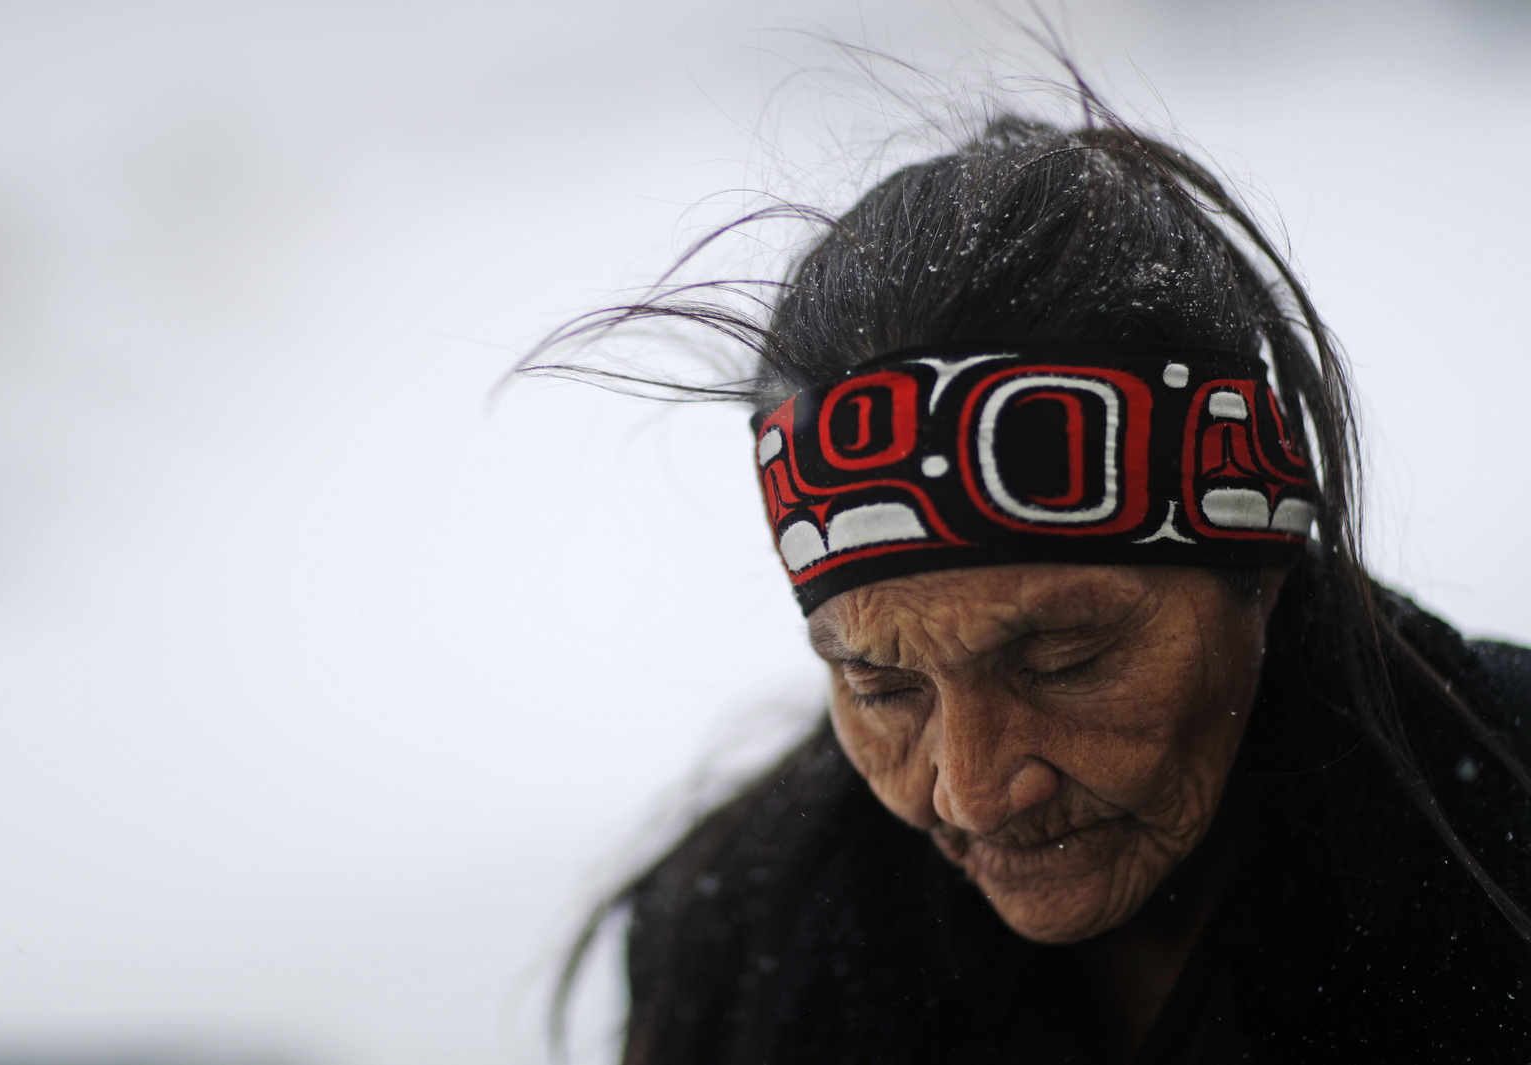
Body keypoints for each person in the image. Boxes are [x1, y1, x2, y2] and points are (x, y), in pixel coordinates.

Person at [539, 107, 1531, 1062]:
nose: (972, 793)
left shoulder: (1502, 845)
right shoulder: (741, 949)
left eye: (1065, 662)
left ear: (1260, 572)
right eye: (884, 689)